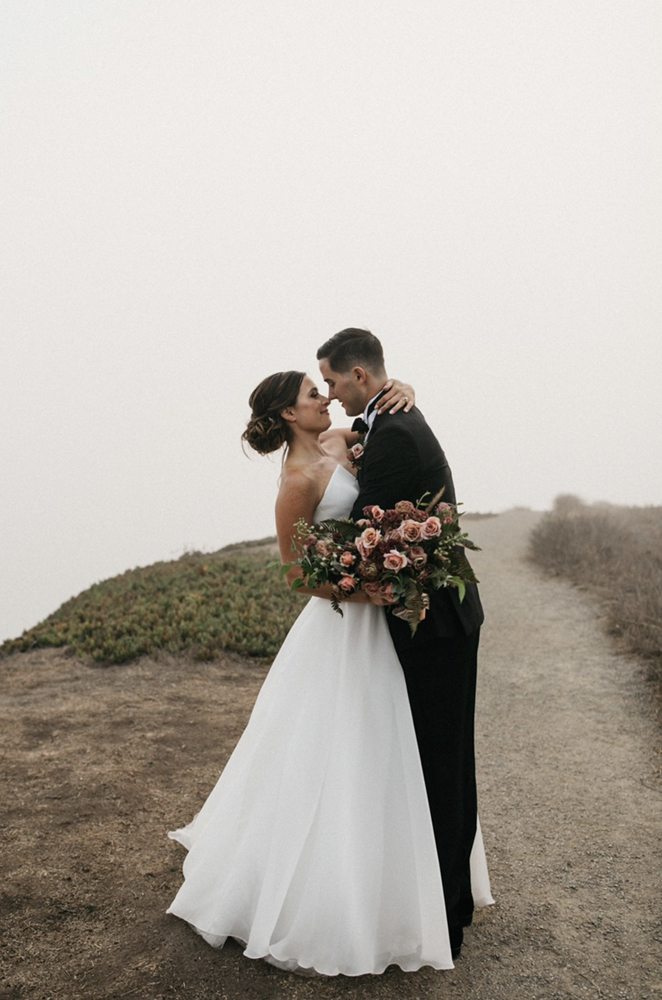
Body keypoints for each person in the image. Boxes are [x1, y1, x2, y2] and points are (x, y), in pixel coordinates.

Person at [166, 368, 493, 977]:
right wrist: (367, 591)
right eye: (314, 394)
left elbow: (376, 423)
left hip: (381, 623)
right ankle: (326, 892)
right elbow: (296, 573)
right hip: (346, 622)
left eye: (326, 389)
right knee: (336, 748)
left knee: (388, 745)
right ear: (290, 414)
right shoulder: (297, 479)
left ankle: (404, 881)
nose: (326, 399)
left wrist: (406, 388)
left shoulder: (341, 442)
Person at [317, 328, 487, 959]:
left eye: (333, 381)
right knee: (440, 763)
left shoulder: (394, 433)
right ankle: (443, 899)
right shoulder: (387, 422)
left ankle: (444, 914)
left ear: (361, 376)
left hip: (432, 624)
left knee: (439, 766)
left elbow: (367, 533)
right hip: (436, 618)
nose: (330, 395)